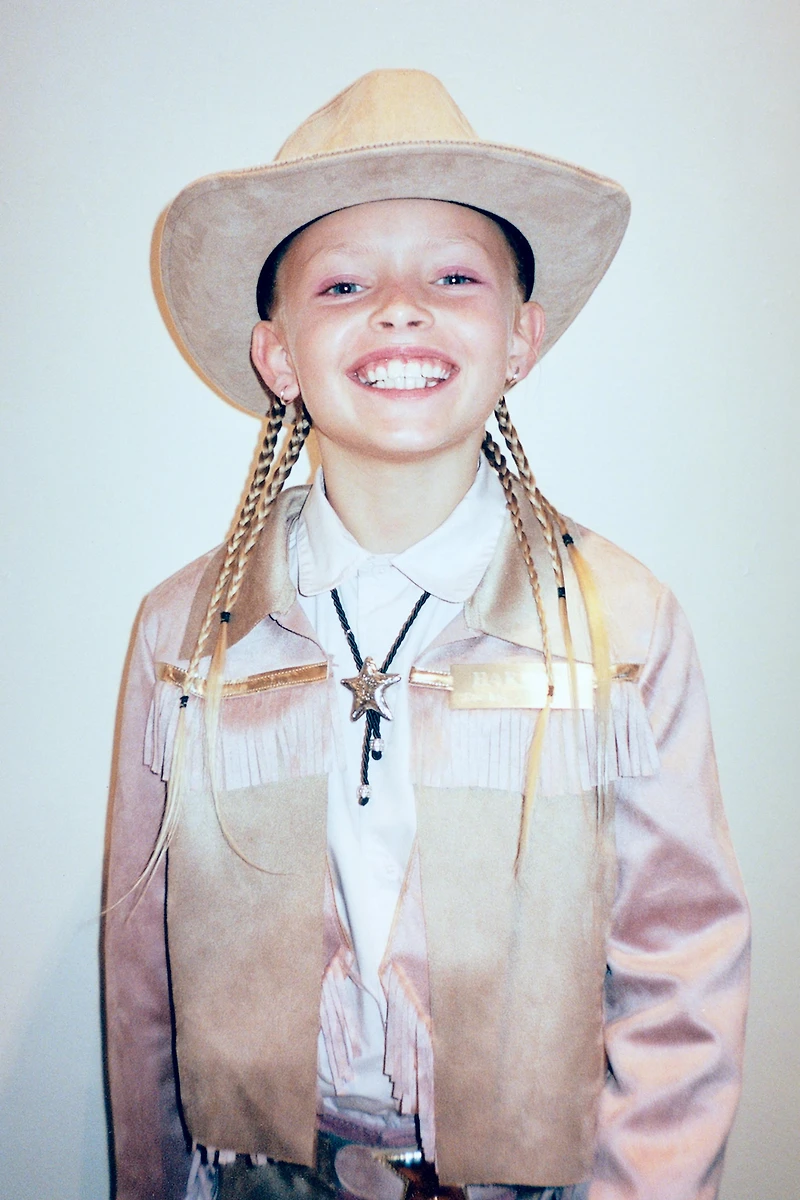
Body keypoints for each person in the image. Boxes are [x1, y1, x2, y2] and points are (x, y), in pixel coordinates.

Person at [103, 69, 750, 1200]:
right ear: (278, 356)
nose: (400, 308)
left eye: (453, 276)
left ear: (519, 338)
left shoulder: (618, 623)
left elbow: (681, 977)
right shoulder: (189, 632)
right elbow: (140, 969)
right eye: (343, 283)